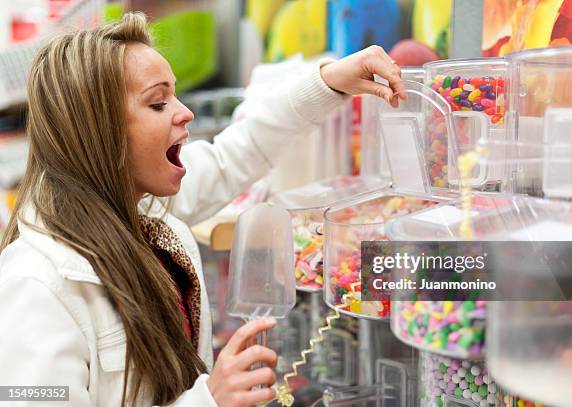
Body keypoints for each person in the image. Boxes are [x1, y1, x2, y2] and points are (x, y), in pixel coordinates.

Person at [0, 12, 405, 407]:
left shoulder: (144, 212)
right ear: (97, 130)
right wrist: (209, 400)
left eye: (174, 94)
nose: (185, 112)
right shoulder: (34, 284)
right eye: (158, 103)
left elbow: (240, 150)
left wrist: (328, 82)